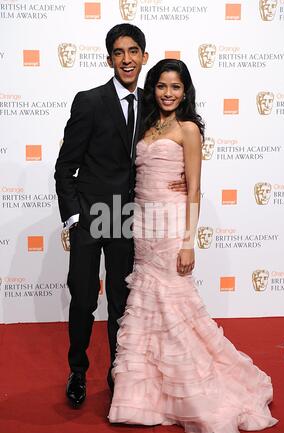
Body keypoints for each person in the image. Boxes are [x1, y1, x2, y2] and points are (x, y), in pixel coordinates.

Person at [108, 59, 278, 433]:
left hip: (170, 230)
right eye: (162, 86)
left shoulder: (189, 130)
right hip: (142, 227)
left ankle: (199, 392)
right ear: (153, 88)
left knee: (177, 308)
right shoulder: (147, 126)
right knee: (148, 310)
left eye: (176, 88)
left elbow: (194, 189)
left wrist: (188, 242)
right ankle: (146, 399)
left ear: (186, 92)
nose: (168, 93)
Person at [55, 24, 184, 408]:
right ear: (109, 58)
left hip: (132, 218)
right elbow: (65, 168)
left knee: (121, 300)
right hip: (92, 215)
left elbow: (177, 140)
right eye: (118, 52)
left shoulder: (153, 103)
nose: (126, 59)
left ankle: (119, 373)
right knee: (82, 299)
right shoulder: (89, 101)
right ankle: (77, 371)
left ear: (145, 56)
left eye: (133, 51)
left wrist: (181, 179)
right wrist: (75, 218)